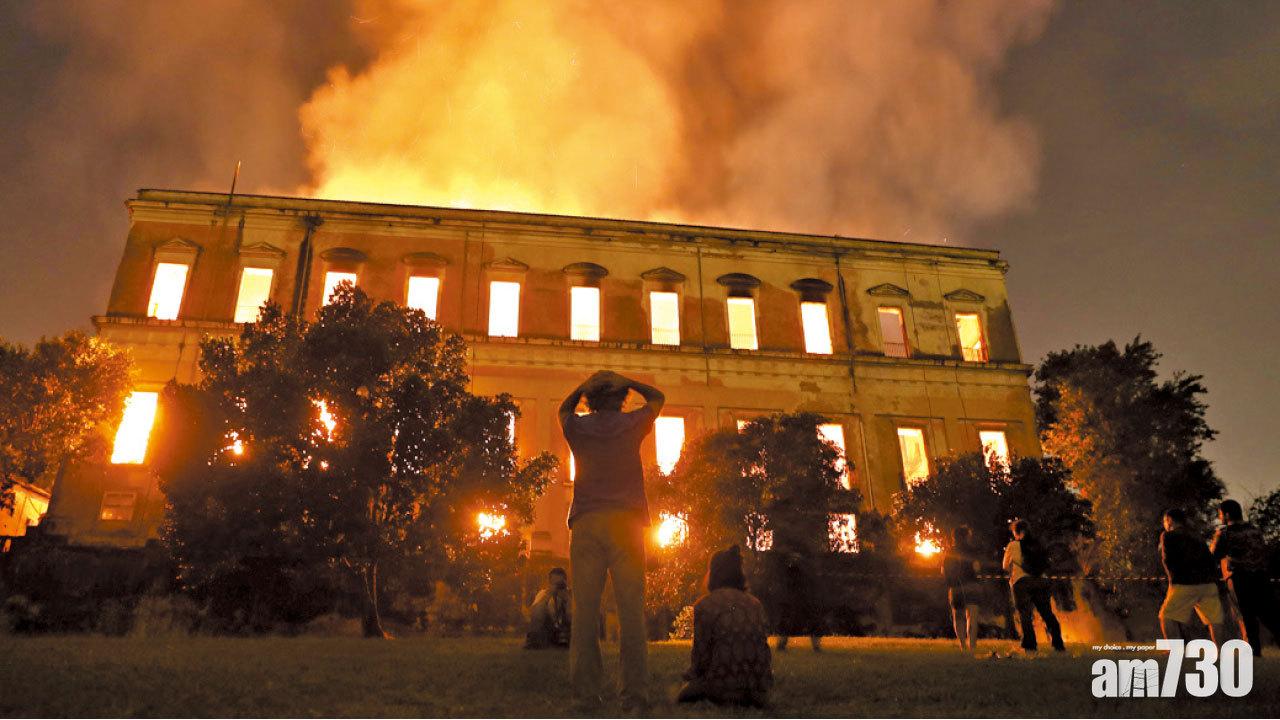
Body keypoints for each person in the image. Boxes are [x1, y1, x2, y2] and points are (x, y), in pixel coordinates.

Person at [559, 370, 664, 710]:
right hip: (627, 523)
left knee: (585, 611)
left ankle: (586, 694)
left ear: (590, 399)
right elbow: (657, 398)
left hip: (587, 521)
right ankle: (634, 695)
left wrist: (583, 384)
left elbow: (563, 409)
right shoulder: (632, 424)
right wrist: (627, 380)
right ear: (621, 399)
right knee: (631, 610)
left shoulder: (579, 428)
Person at [677, 545, 772, 707]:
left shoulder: (705, 605)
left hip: (721, 688)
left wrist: (690, 676)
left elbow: (701, 657)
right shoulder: (755, 603)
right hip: (757, 691)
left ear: (713, 572)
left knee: (683, 694)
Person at [1211, 499, 1280, 656]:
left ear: (1227, 514)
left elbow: (1214, 555)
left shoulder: (1225, 533)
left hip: (1239, 578)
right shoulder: (1255, 531)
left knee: (1246, 616)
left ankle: (1253, 652)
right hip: (1261, 577)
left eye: (1220, 514)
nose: (1220, 517)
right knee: (1270, 616)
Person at [1159, 508, 1224, 644]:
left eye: (1165, 521)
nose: (1164, 524)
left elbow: (1167, 560)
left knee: (1166, 616)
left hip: (1185, 584)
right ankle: (1220, 650)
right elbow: (1210, 559)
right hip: (1208, 584)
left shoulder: (1168, 536)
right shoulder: (1197, 536)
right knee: (1214, 620)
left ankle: (1174, 650)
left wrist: (1172, 581)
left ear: (1169, 520)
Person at [1002, 519, 1064, 652]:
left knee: (1025, 614)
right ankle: (1058, 643)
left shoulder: (1013, 545)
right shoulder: (1038, 545)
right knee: (1047, 613)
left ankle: (1030, 645)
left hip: (1021, 582)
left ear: (1017, 532)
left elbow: (1005, 566)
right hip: (1040, 581)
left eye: (1014, 533)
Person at [943, 526, 981, 652]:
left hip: (956, 587)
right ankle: (972, 646)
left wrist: (950, 583)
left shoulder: (950, 552)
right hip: (972, 585)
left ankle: (962, 645)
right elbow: (977, 568)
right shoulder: (973, 551)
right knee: (972, 617)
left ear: (954, 537)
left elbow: (945, 570)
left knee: (958, 616)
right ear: (967, 536)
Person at [524, 567, 572, 649]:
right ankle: (533, 641)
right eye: (555, 584)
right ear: (549, 583)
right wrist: (548, 596)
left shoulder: (570, 595)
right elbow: (534, 613)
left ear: (566, 582)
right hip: (548, 630)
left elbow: (573, 617)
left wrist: (568, 600)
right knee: (539, 607)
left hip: (567, 632)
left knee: (575, 612)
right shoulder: (543, 593)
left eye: (560, 584)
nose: (558, 587)